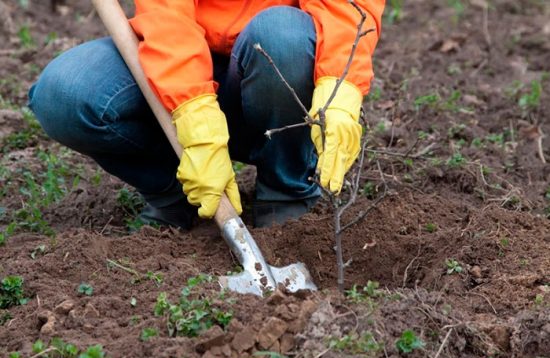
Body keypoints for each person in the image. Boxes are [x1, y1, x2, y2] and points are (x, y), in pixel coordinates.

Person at [29, 1, 385, 229]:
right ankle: (177, 193)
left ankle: (285, 192)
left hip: (273, 70)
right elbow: (168, 19)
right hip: (179, 59)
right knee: (66, 91)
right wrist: (194, 116)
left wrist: (340, 82)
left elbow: (344, 8)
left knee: (283, 38)